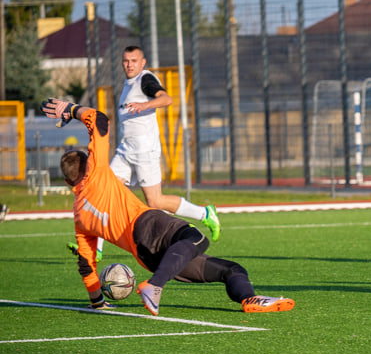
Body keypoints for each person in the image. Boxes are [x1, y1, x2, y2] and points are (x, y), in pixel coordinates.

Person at [42, 98, 294, 316]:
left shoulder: (79, 217)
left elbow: (87, 265)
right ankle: (155, 285)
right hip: (148, 225)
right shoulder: (96, 171)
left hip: (147, 257)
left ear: (67, 183)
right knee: (196, 237)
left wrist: (97, 302)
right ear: (90, 163)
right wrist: (71, 109)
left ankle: (249, 299)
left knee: (231, 270)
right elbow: (99, 119)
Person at [68, 45, 221, 261]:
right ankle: (96, 250)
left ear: (143, 63)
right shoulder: (127, 83)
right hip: (125, 150)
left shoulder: (145, 80)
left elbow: (166, 99)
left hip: (144, 150)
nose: (129, 65)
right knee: (102, 193)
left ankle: (205, 213)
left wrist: (144, 105)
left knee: (155, 202)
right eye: (125, 61)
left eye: (133, 61)